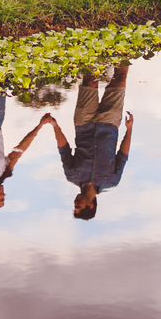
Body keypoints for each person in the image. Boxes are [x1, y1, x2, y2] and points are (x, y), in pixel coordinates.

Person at [43, 63, 134, 220]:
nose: (75, 202)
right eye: (79, 206)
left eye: (75, 206)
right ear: (90, 205)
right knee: (120, 80)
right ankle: (126, 50)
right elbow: (123, 155)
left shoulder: (72, 176)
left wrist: (55, 126)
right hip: (110, 125)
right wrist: (129, 129)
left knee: (90, 81)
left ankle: (94, 47)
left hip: (83, 123)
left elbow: (64, 149)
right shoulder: (112, 181)